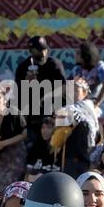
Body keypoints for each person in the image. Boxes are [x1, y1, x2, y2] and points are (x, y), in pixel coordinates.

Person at [14, 36, 67, 165]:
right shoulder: (24, 67)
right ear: (31, 51)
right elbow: (17, 92)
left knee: (52, 150)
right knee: (32, 151)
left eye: (44, 49)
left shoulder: (53, 64)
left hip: (50, 115)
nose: (43, 53)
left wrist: (47, 96)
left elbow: (64, 87)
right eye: (39, 50)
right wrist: (26, 82)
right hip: (32, 117)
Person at [52, 75, 101, 178]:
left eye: (75, 91)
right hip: (70, 157)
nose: (71, 94)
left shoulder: (87, 107)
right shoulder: (70, 107)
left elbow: (61, 114)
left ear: (85, 93)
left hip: (83, 158)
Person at [74, 42, 104, 116]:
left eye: (78, 53)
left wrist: (96, 104)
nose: (75, 55)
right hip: (82, 105)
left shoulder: (100, 67)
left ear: (85, 55)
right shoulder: (77, 69)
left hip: (100, 105)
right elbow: (68, 85)